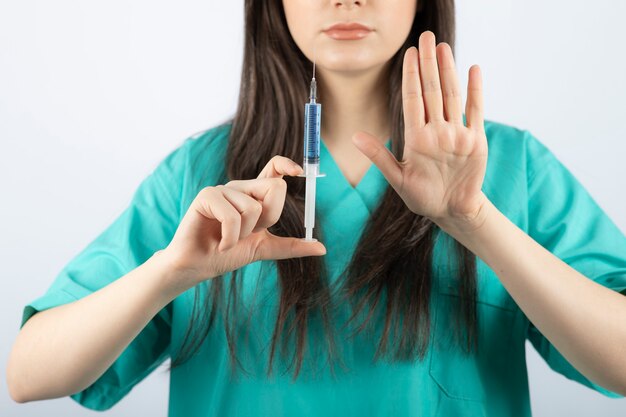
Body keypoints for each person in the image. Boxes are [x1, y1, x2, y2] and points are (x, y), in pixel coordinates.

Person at [7, 0, 626, 416]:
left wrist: (475, 222)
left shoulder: (509, 169)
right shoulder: (200, 179)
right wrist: (169, 272)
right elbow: (28, 374)